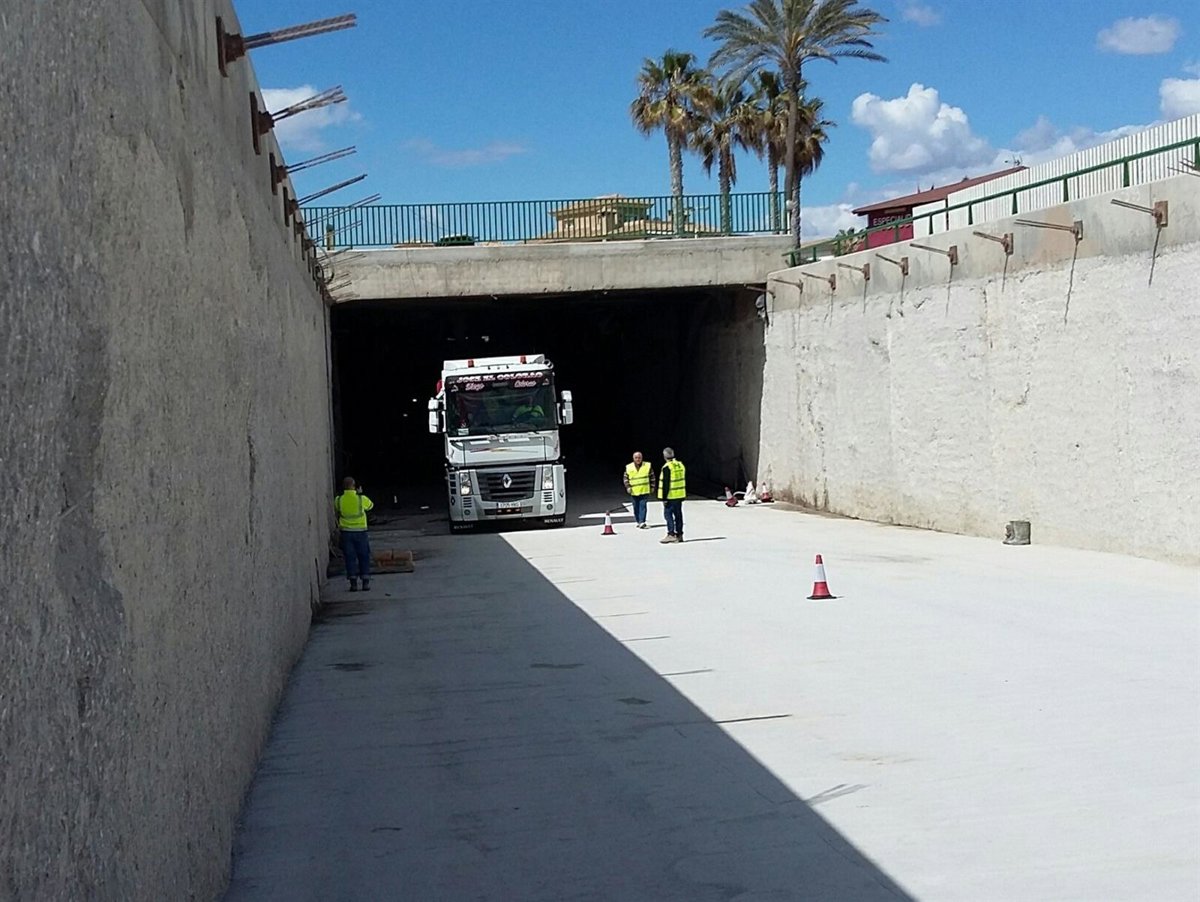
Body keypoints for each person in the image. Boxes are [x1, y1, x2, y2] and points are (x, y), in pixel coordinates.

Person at [335, 477, 374, 591]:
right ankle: (365, 582)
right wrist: (360, 494)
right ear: (354, 486)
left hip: (346, 532)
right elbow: (371, 506)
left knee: (350, 557)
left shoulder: (338, 500)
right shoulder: (361, 499)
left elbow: (337, 509)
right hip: (361, 531)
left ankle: (353, 584)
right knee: (364, 556)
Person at [657, 447, 687, 543]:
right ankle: (679, 535)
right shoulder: (680, 465)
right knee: (678, 515)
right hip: (679, 495)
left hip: (670, 496)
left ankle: (671, 534)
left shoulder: (667, 467)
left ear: (664, 456)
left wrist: (664, 498)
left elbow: (666, 484)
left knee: (668, 515)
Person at [623, 450, 656, 529]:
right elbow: (625, 478)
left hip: (644, 490)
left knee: (642, 506)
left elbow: (652, 477)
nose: (638, 459)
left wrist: (652, 487)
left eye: (639, 457)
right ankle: (638, 521)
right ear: (633, 458)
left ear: (642, 458)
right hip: (634, 491)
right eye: (636, 458)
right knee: (635, 507)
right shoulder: (629, 467)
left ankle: (642, 521)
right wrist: (628, 487)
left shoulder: (647, 466)